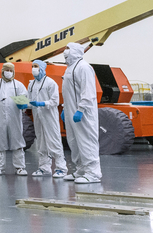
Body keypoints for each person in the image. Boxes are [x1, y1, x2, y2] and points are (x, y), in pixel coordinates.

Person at [60, 42, 101, 183]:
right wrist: (65, 108)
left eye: (67, 49)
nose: (65, 51)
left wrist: (81, 109)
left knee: (86, 141)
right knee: (74, 142)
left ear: (76, 50)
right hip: (71, 111)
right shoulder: (69, 68)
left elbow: (88, 92)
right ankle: (81, 170)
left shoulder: (84, 67)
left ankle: (93, 173)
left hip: (83, 113)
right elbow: (69, 93)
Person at [0, 65, 28, 175]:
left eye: (11, 70)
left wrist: (23, 103)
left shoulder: (18, 84)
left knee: (17, 141)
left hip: (14, 118)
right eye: (6, 70)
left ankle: (20, 167)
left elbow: (24, 96)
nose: (9, 72)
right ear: (2, 71)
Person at [27, 60, 65, 177]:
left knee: (54, 141)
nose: (34, 68)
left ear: (42, 68)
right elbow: (30, 101)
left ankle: (61, 168)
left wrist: (41, 103)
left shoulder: (50, 83)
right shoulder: (31, 84)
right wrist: (25, 105)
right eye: (32, 66)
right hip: (37, 116)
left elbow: (55, 101)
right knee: (41, 142)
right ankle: (44, 168)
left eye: (36, 66)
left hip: (49, 116)